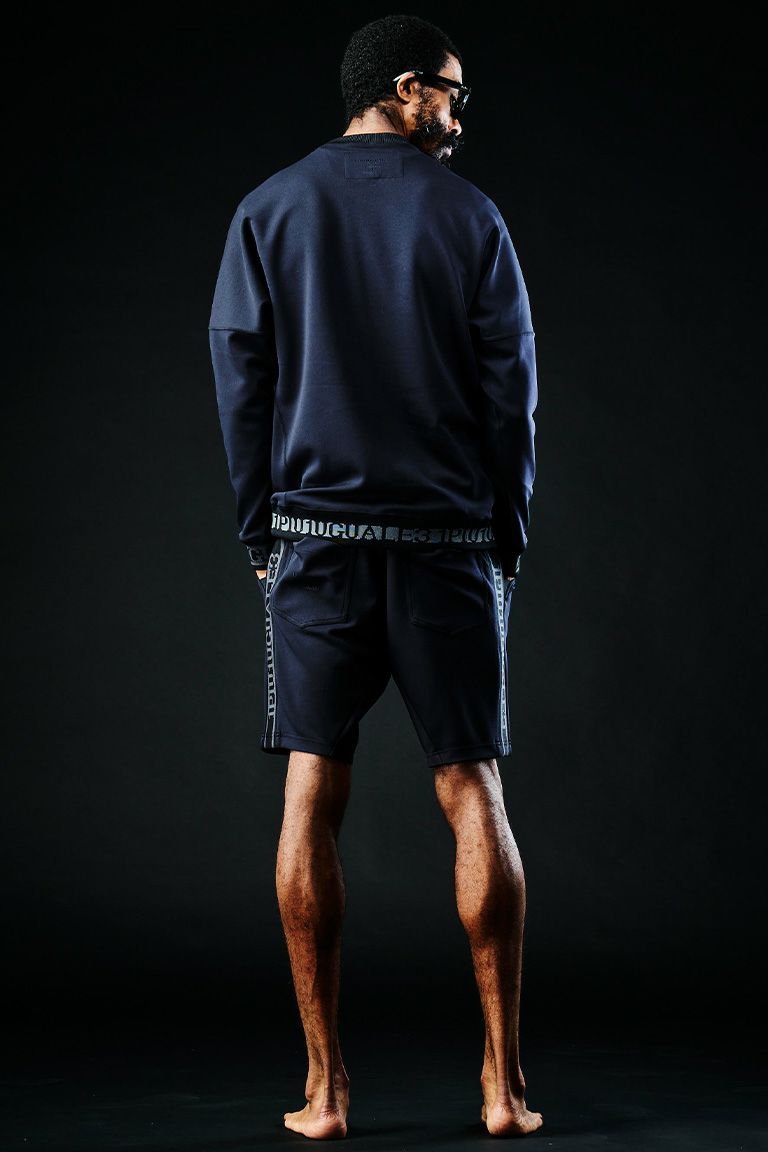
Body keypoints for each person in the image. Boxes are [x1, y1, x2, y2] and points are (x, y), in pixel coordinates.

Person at [208, 13, 542, 1141]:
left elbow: (241, 381)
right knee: (474, 789)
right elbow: (511, 393)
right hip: (447, 543)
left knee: (312, 790)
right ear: (406, 88)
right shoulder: (471, 216)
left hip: (315, 538)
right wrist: (504, 535)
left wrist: (263, 532)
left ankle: (325, 1093)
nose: (458, 116)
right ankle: (502, 1090)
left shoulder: (269, 209)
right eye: (451, 93)